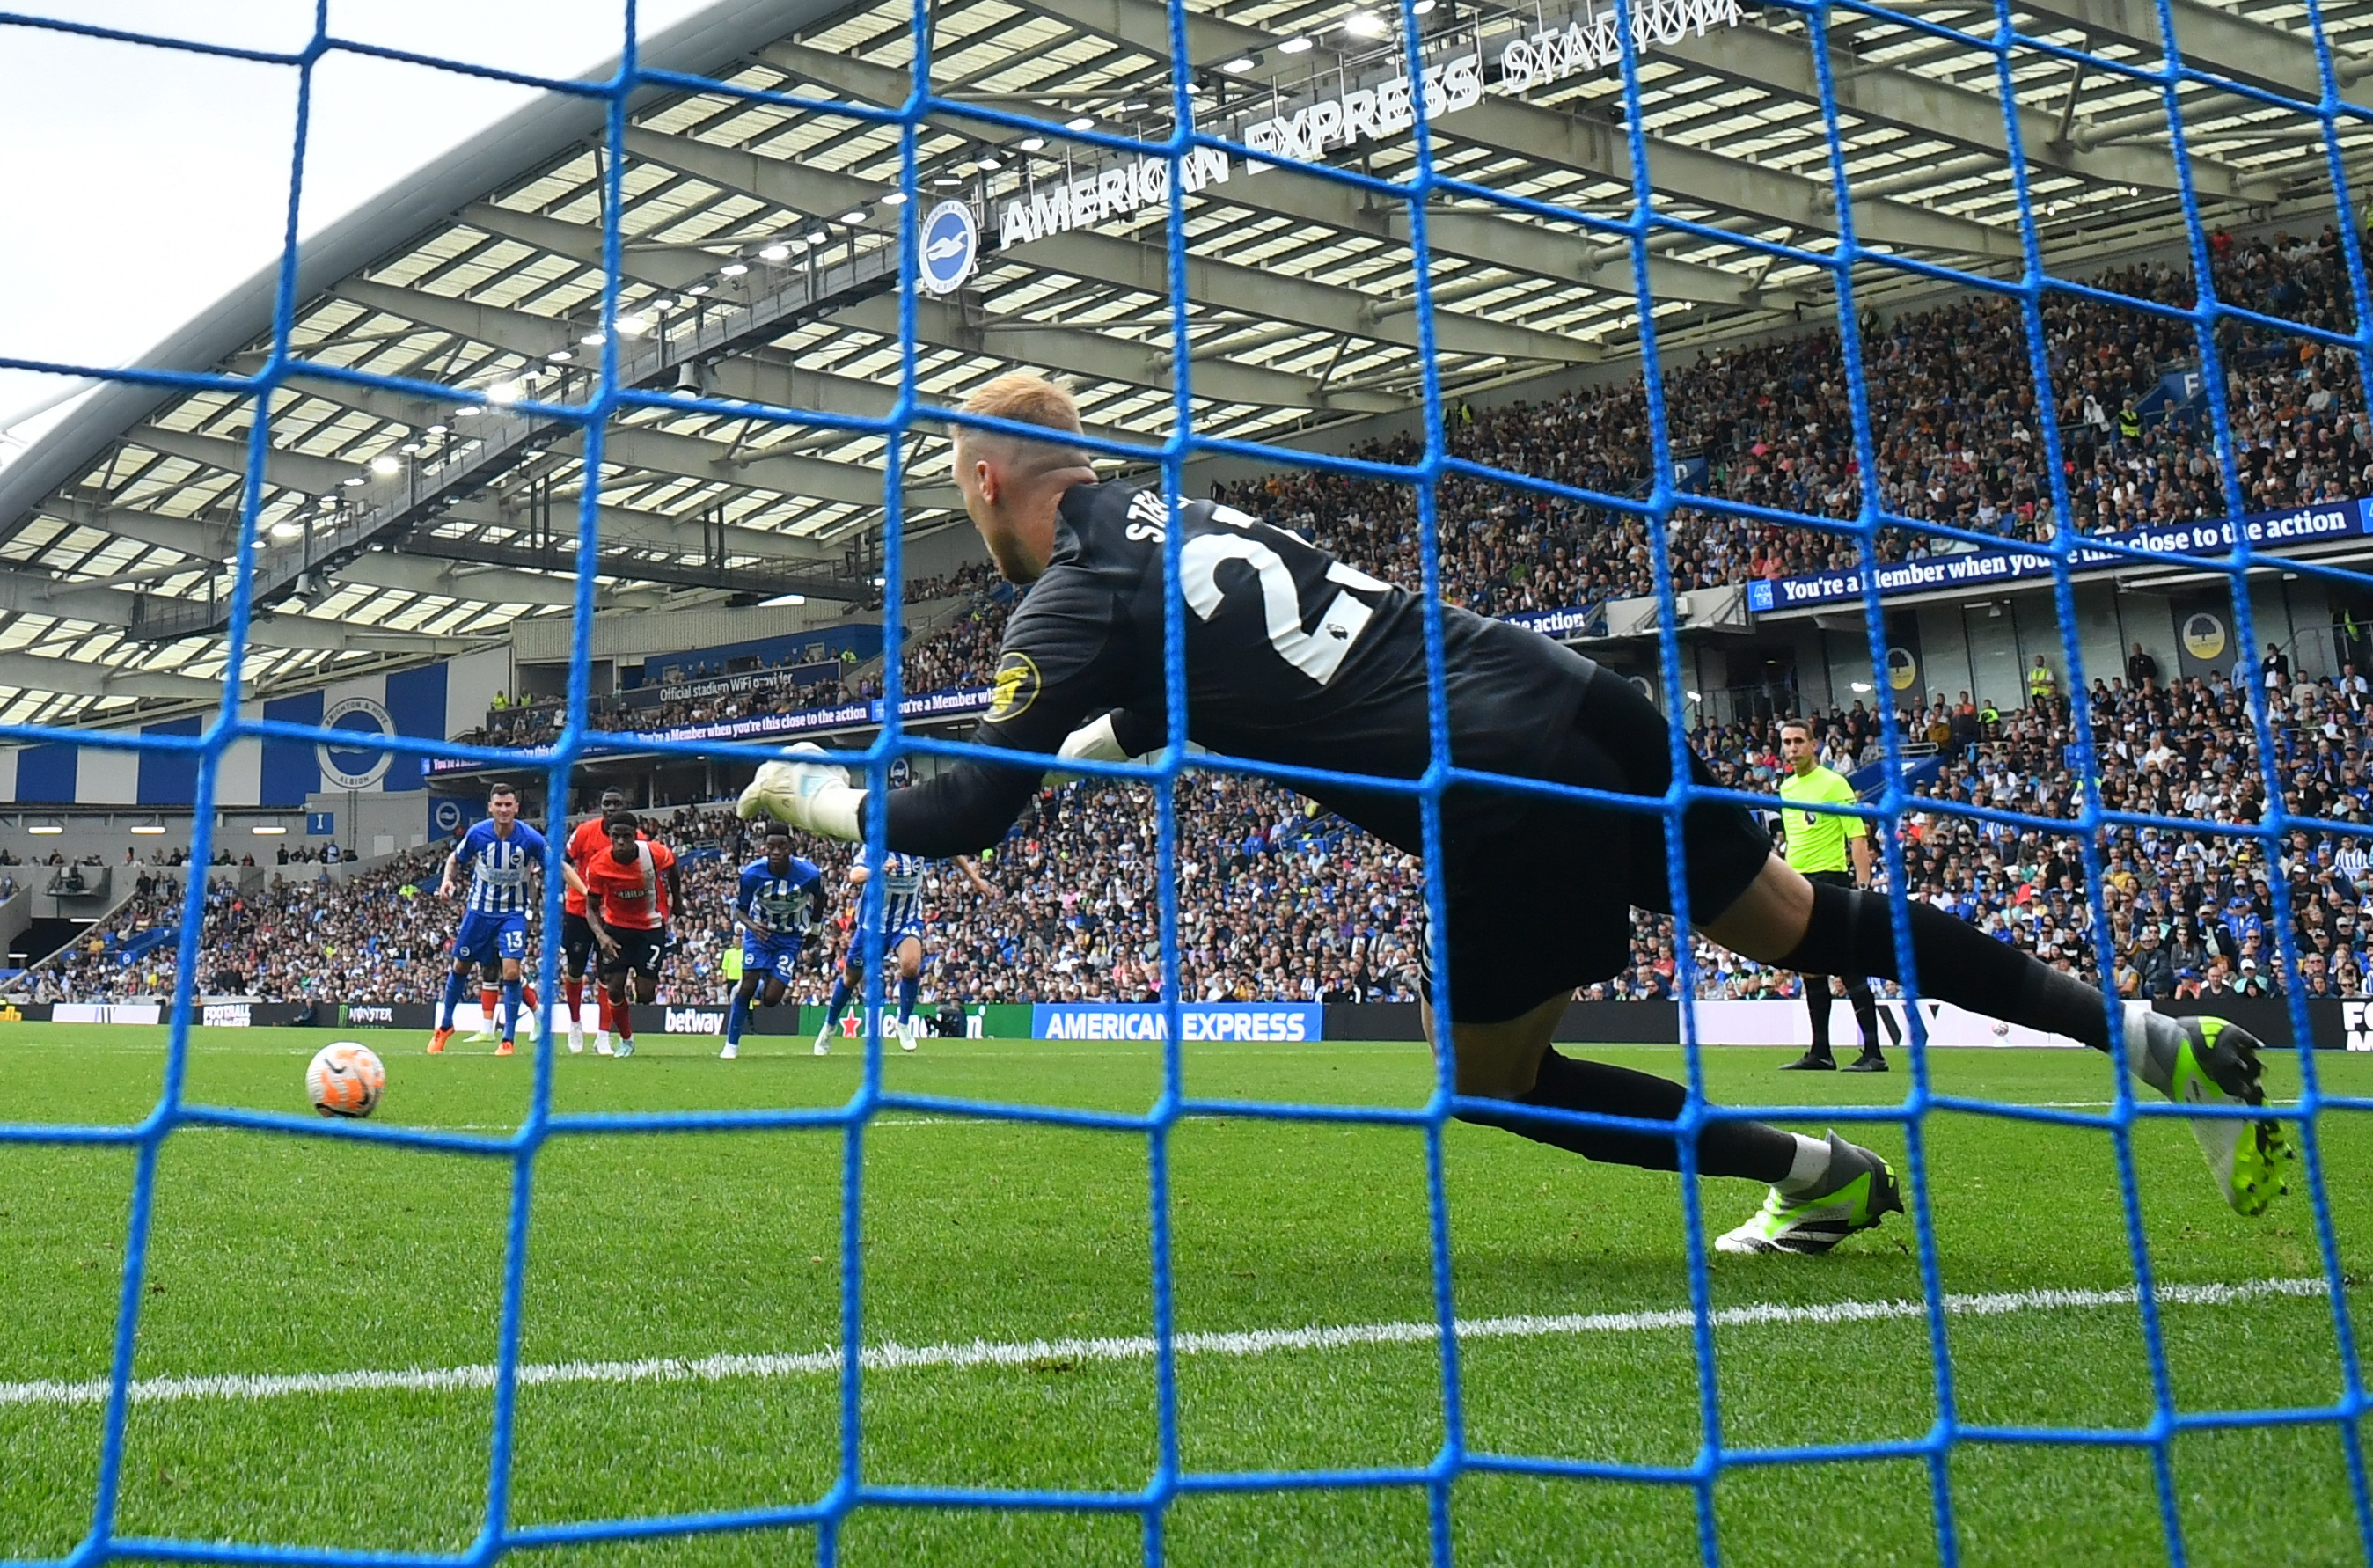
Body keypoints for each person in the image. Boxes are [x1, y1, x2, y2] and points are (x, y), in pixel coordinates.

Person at [739, 373, 2291, 1256]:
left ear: (995, 477)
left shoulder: (1070, 591)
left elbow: (956, 820)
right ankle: (2153, 1038)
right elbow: (1182, 689)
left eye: (960, 496)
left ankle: (1807, 1170)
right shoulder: (1181, 514)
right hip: (1569, 695)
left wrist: (805, 791)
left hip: (1492, 786)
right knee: (1808, 924)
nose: (969, 518)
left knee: (1492, 1081)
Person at [819, 818, 997, 1057]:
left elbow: (953, 851)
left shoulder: (921, 842)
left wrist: (975, 879)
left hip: (907, 920)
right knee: (851, 978)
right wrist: (878, 870)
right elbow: (855, 874)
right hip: (872, 924)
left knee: (911, 966)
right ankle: (829, 1027)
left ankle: (903, 1024)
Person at [1773, 721, 1890, 1073]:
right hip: (1798, 881)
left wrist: (1864, 887)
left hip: (1831, 880)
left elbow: (1856, 836)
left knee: (1847, 963)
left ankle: (1874, 1053)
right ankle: (1820, 1052)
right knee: (1809, 966)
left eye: (1798, 741)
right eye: (1787, 742)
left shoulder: (1834, 783)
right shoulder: (1786, 787)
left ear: (1813, 745)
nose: (1792, 748)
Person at [431, 784, 544, 1057]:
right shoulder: (478, 834)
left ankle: (508, 1039)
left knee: (512, 971)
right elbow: (455, 859)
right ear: (490, 807)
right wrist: (447, 880)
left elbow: (551, 870)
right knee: (461, 966)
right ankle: (446, 1026)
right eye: (499, 805)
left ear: (516, 807)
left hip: (513, 914)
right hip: (479, 913)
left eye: (509, 805)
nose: (504, 809)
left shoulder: (530, 839)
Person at [726, 821, 828, 1059]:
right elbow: (739, 909)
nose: (775, 851)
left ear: (791, 847)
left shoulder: (809, 874)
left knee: (771, 999)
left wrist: (815, 929)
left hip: (790, 937)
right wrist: (752, 926)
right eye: (770, 846)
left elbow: (820, 898)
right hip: (759, 933)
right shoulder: (752, 873)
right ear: (764, 847)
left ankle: (755, 989)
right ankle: (731, 1045)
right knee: (748, 983)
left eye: (781, 846)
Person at [581, 810, 677, 1059]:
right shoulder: (599, 865)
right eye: (616, 837)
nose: (621, 842)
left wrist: (679, 900)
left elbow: (672, 866)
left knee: (645, 996)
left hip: (651, 928)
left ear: (635, 836)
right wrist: (602, 937)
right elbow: (590, 909)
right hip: (617, 929)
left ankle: (640, 980)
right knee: (614, 988)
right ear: (609, 837)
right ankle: (626, 1040)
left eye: (626, 836)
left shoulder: (653, 853)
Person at [554, 788, 625, 1054]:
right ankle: (575, 1023)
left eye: (617, 804)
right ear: (601, 806)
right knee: (575, 970)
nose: (611, 808)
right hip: (579, 910)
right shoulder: (585, 832)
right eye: (607, 803)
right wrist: (582, 889)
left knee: (608, 974)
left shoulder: (635, 838)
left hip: (614, 915)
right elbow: (563, 862)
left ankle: (604, 1034)